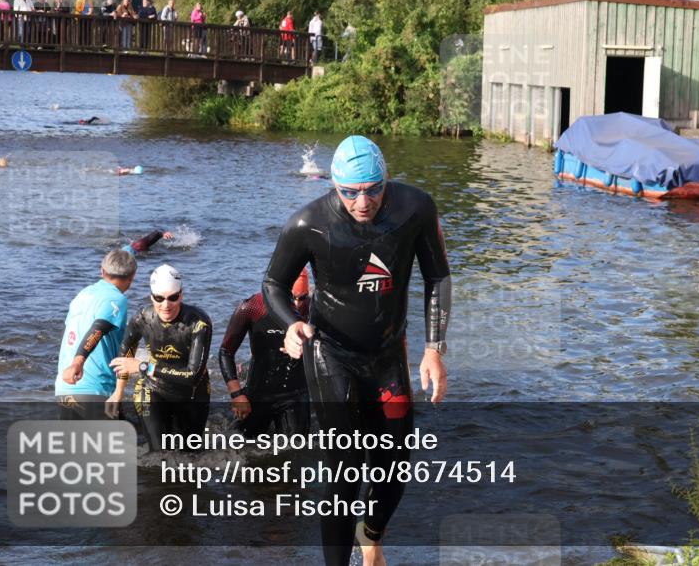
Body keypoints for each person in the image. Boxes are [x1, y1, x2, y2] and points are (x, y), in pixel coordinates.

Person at [263, 135, 451, 566]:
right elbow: (272, 283)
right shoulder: (307, 224)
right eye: (350, 192)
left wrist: (435, 348)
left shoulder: (415, 209)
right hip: (332, 353)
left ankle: (371, 535)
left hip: (387, 354)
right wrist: (291, 325)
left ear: (385, 181)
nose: (362, 202)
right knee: (344, 468)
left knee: (395, 464)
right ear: (334, 185)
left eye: (372, 190)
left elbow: (438, 277)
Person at [110, 265, 212, 451]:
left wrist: (143, 367)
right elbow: (126, 350)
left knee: (190, 455)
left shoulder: (198, 322)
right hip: (153, 388)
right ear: (151, 297)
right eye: (159, 298)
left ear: (181, 295)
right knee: (158, 454)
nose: (166, 305)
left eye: (173, 297)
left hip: (192, 393)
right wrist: (118, 393)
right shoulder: (143, 318)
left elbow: (193, 375)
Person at [220, 268, 312, 438]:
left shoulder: (313, 310)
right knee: (241, 445)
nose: (298, 305)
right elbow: (226, 351)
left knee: (296, 450)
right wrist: (237, 395)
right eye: (293, 298)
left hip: (295, 395)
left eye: (303, 297)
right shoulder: (253, 307)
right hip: (259, 393)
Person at [56, 250, 138, 420]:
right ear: (132, 276)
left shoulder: (83, 294)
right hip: (94, 389)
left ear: (102, 271)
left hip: (64, 388)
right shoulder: (117, 299)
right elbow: (98, 329)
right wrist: (78, 362)